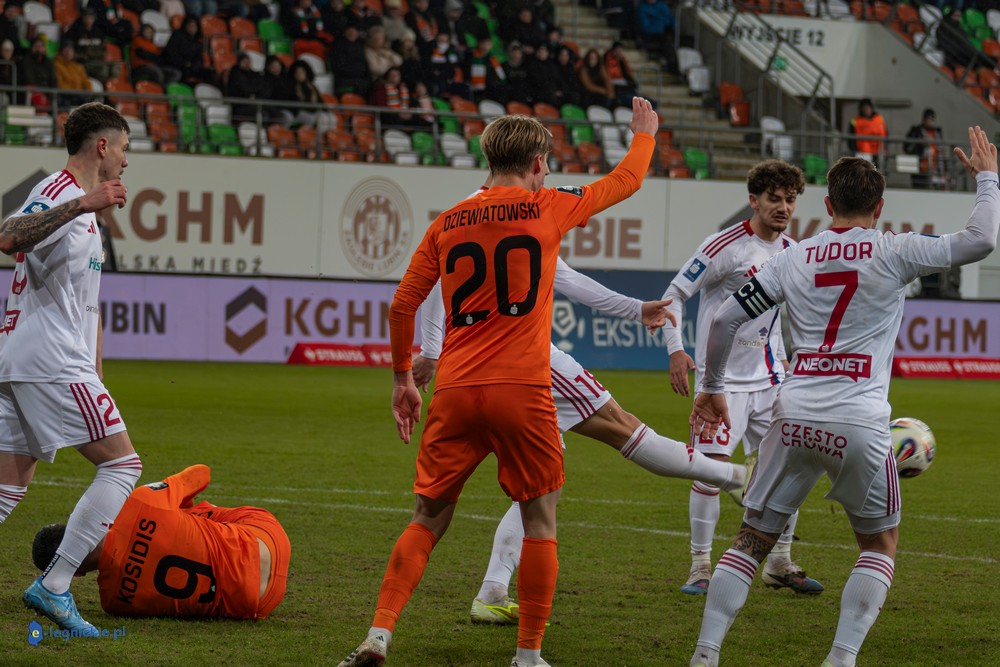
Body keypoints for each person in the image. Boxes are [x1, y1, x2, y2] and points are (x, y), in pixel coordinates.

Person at [337, 96, 659, 667]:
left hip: (455, 391)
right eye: (547, 163)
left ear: (489, 160)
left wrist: (402, 379)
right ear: (536, 163)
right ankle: (528, 655)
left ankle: (377, 634)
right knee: (540, 519)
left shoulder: (446, 222)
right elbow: (626, 181)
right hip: (523, 390)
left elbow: (402, 304)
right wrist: (644, 135)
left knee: (427, 517)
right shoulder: (548, 206)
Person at [687, 127, 999, 667]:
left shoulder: (793, 257)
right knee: (878, 545)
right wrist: (988, 179)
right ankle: (840, 658)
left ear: (828, 205)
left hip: (793, 414)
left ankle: (706, 653)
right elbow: (981, 240)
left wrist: (711, 386)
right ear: (879, 207)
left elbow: (723, 318)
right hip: (860, 420)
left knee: (749, 541)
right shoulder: (896, 249)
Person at [413, 240, 752, 626]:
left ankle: (491, 592)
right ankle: (734, 476)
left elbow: (434, 283)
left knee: (540, 488)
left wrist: (432, 350)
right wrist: (635, 309)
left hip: (470, 366)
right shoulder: (529, 224)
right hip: (529, 360)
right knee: (623, 429)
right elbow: (573, 282)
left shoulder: (460, 223)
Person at [0, 102, 142, 635]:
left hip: (35, 359)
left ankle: (54, 586)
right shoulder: (61, 191)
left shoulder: (85, 209)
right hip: (49, 359)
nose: (126, 160)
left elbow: (85, 300)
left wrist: (95, 363)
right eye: (123, 148)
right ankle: (55, 585)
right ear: (101, 146)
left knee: (7, 487)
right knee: (122, 466)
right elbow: (9, 235)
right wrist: (84, 202)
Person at [661, 159, 824, 597]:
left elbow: (790, 316)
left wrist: (794, 364)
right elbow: (673, 295)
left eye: (790, 199)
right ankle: (700, 567)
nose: (783, 207)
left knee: (788, 471)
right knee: (709, 474)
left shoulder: (793, 251)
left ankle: (780, 562)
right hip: (722, 385)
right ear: (753, 199)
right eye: (775, 198)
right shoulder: (724, 247)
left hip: (772, 381)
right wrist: (675, 348)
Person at [30, 464, 290, 619]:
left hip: (257, 603)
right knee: (193, 514)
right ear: (79, 527)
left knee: (179, 524)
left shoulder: (114, 603)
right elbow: (202, 474)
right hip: (269, 542)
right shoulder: (140, 503)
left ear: (76, 574)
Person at [903, 108, 948, 190]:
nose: (930, 121)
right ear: (923, 119)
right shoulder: (916, 131)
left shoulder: (937, 133)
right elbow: (908, 148)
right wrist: (921, 143)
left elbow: (942, 153)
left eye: (932, 119)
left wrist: (945, 170)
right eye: (928, 119)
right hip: (921, 170)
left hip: (936, 170)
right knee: (920, 190)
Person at [847, 98, 887, 171]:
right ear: (861, 109)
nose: (866, 110)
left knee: (878, 172)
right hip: (862, 154)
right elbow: (851, 138)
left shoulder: (879, 119)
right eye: (864, 108)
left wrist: (885, 148)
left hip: (878, 153)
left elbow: (885, 134)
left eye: (868, 107)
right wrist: (854, 151)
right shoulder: (855, 121)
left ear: (871, 108)